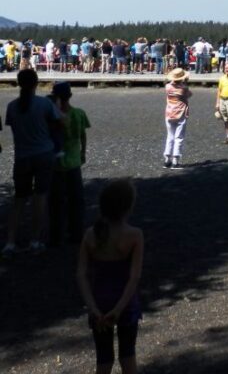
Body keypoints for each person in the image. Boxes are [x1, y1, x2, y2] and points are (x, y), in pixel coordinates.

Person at [77, 179, 143, 374]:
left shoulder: (91, 235)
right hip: (126, 302)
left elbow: (81, 274)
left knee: (104, 359)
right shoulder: (134, 235)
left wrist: (93, 308)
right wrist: (120, 307)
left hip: (100, 301)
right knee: (128, 356)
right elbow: (134, 277)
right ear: (128, 207)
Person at [2, 69, 62, 256]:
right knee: (40, 197)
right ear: (36, 83)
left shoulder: (12, 106)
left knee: (19, 200)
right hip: (43, 153)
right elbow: (59, 122)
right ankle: (35, 240)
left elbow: (13, 126)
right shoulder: (44, 104)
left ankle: (10, 241)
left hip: (22, 155)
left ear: (19, 83)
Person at [49, 82, 90, 246]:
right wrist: (83, 152)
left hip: (56, 163)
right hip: (74, 161)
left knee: (56, 201)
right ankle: (76, 233)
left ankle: (56, 235)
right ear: (70, 96)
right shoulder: (79, 113)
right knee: (76, 200)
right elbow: (83, 136)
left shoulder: (52, 116)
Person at [163, 67, 191, 169]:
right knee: (178, 137)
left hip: (169, 112)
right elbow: (189, 95)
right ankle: (175, 160)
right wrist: (186, 83)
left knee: (170, 136)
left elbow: (171, 84)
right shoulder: (183, 88)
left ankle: (167, 159)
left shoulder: (167, 87)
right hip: (180, 113)